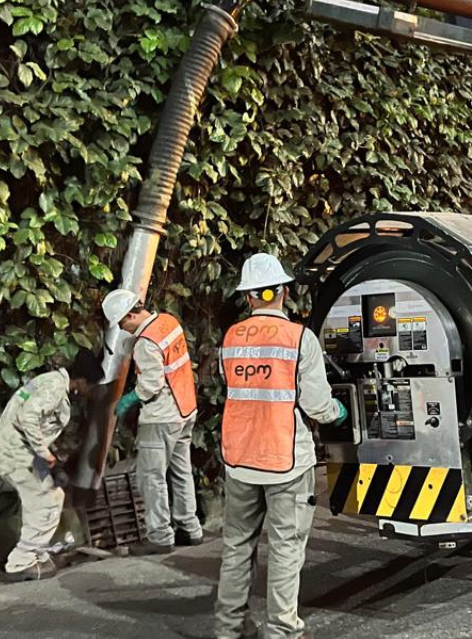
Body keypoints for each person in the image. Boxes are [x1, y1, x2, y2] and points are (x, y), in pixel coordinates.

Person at [214, 253, 347, 639]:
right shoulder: (299, 338)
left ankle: (228, 629)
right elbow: (318, 406)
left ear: (249, 297)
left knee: (237, 546)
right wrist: (338, 411)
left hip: (239, 459)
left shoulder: (231, 338)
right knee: (286, 547)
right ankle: (282, 631)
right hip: (285, 460)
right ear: (284, 292)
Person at [0, 349, 104, 581]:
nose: (91, 392)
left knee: (53, 495)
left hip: (21, 453)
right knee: (45, 501)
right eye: (91, 386)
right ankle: (21, 561)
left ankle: (35, 553)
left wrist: (47, 458)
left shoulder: (52, 382)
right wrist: (44, 453)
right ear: (81, 381)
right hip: (15, 454)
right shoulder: (55, 387)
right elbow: (28, 417)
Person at [102, 289, 204, 555]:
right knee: (181, 471)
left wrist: (129, 400)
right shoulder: (169, 322)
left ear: (132, 314)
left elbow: (152, 383)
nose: (124, 329)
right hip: (185, 410)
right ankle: (190, 528)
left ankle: (159, 536)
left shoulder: (146, 342)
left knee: (152, 477)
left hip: (161, 416)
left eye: (123, 323)